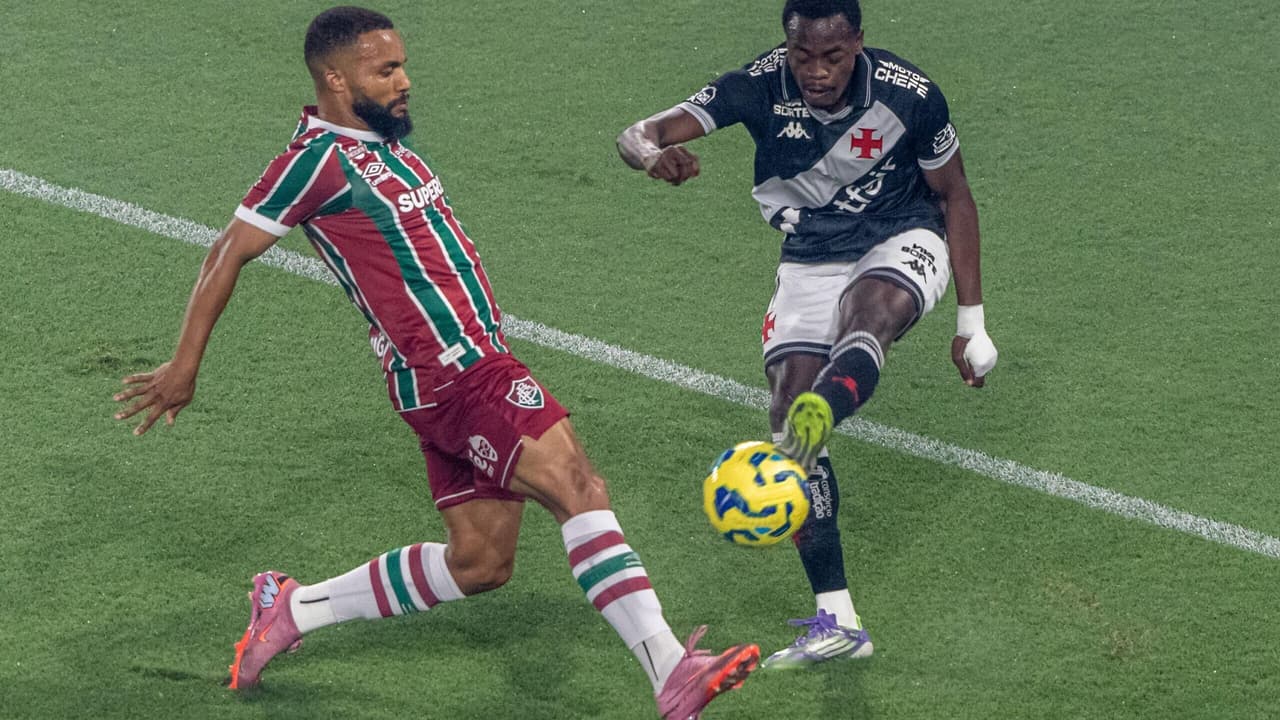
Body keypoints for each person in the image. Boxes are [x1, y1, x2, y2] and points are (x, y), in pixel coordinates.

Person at [112, 7, 758, 717]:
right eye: (384, 70)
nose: (404, 81)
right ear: (335, 77)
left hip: (451, 372)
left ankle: (293, 609)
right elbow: (227, 251)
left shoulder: (383, 146)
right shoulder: (314, 162)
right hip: (457, 373)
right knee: (579, 485)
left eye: (401, 65)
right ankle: (669, 670)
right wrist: (184, 366)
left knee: (481, 563)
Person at [617, 0, 997, 669]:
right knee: (789, 424)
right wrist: (652, 155)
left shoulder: (910, 96)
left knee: (868, 316)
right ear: (786, 46)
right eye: (803, 57)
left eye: (833, 56)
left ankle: (828, 404)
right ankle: (839, 623)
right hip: (810, 254)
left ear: (858, 44)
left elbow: (955, 195)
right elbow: (639, 131)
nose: (817, 72)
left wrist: (972, 323)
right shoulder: (759, 84)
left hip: (904, 235)